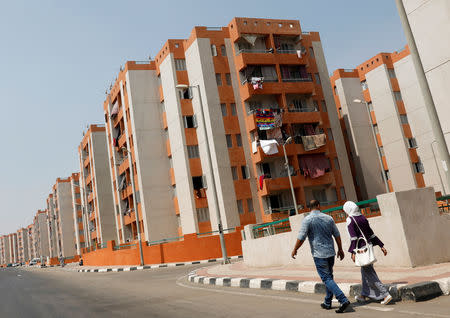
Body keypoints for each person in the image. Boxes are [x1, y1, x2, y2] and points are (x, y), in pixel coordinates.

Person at [291, 200, 351, 313]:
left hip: (319, 255)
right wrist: (340, 249)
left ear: (309, 208)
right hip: (330, 253)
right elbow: (337, 235)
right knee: (329, 277)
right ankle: (327, 302)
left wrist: (295, 249)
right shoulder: (329, 218)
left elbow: (301, 237)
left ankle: (343, 300)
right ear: (319, 206)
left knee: (327, 278)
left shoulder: (307, 219)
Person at [343, 201, 393, 305]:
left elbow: (354, 238)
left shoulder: (350, 220)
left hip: (361, 250)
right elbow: (371, 234)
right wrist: (381, 246)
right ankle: (364, 294)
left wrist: (352, 252)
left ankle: (385, 294)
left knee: (369, 273)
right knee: (364, 272)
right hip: (368, 248)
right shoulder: (363, 218)